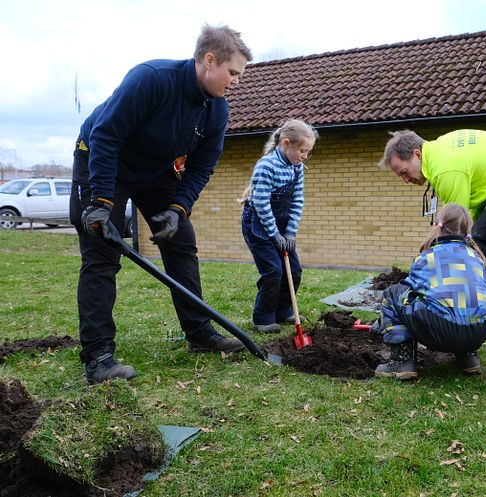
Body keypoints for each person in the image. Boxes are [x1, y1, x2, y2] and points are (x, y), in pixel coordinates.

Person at [70, 24, 253, 384]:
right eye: (232, 73)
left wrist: (178, 208)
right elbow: (105, 135)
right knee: (101, 255)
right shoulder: (152, 79)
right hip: (102, 161)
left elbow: (202, 166)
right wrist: (103, 201)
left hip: (154, 172)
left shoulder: (216, 110)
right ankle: (98, 355)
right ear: (209, 59)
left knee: (181, 242)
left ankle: (199, 333)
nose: (236, 81)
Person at [379, 129, 486, 316]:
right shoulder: (440, 153)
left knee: (483, 244)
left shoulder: (446, 168)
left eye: (404, 172)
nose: (405, 180)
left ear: (417, 154)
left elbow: (456, 227)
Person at [373, 203, 486, 380]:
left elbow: (411, 290)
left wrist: (384, 322)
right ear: (467, 229)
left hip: (439, 329)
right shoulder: (476, 257)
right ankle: (468, 357)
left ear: (438, 226)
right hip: (479, 330)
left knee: (394, 293)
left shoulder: (427, 256)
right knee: (467, 301)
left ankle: (402, 360)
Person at [239, 119, 318, 333]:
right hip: (258, 225)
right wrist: (275, 235)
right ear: (285, 144)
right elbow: (262, 205)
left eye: (308, 152)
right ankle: (263, 317)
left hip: (282, 226)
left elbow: (297, 200)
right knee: (273, 271)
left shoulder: (297, 168)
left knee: (294, 269)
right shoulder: (266, 166)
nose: (305, 156)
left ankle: (283, 309)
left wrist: (290, 232)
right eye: (302, 151)